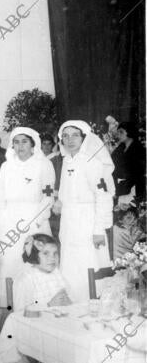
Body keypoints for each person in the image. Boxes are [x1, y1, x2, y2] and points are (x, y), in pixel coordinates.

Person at [0, 127, 55, 309]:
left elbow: (48, 195)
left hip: (34, 220)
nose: (20, 145)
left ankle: (38, 305)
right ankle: (10, 306)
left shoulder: (43, 165)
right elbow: (0, 195)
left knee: (34, 262)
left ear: (32, 144)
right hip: (9, 221)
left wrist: (37, 219)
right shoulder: (6, 166)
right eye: (16, 141)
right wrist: (2, 218)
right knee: (9, 262)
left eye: (24, 141)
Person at [54, 120, 115, 302]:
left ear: (84, 138)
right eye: (65, 135)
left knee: (89, 264)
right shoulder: (66, 161)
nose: (70, 139)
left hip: (88, 223)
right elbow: (66, 192)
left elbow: (103, 197)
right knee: (71, 265)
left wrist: (98, 230)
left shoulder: (91, 162)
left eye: (75, 135)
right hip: (69, 223)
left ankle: (91, 305)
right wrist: (59, 203)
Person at [13, 234, 71, 313]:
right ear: (34, 255)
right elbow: (20, 313)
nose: (52, 258)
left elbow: (68, 300)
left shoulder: (57, 274)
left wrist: (68, 302)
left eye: (55, 253)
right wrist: (48, 305)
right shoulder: (25, 279)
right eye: (46, 253)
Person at [112, 122, 146, 202]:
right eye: (118, 132)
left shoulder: (139, 149)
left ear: (130, 132)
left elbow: (138, 174)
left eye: (121, 132)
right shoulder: (120, 147)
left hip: (132, 189)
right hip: (119, 186)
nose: (118, 135)